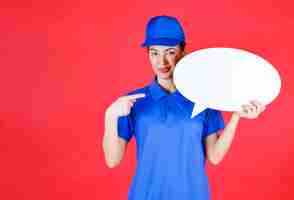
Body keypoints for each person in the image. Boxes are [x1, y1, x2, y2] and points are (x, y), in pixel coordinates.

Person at [102, 15, 266, 200]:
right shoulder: (132, 101)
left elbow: (214, 157)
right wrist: (110, 116)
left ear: (183, 52)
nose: (161, 62)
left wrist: (236, 116)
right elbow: (112, 160)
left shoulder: (204, 99)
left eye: (170, 52)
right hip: (145, 194)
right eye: (154, 53)